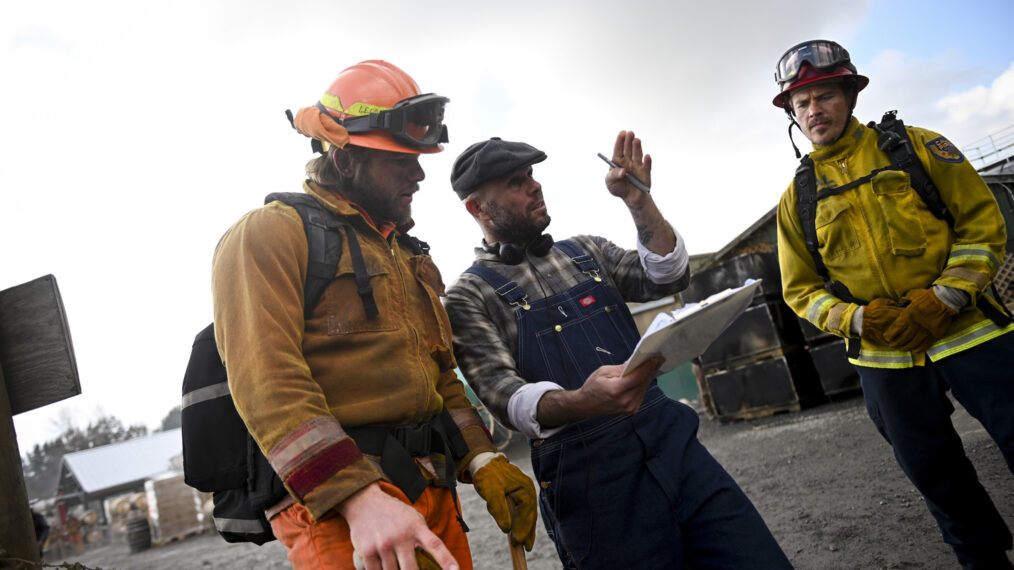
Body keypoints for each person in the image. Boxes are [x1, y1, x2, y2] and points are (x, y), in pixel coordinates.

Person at [212, 60, 537, 570]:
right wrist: (360, 498)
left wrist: (483, 457)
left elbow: (441, 377)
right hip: (341, 510)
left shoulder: (412, 257)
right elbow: (266, 382)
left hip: (430, 491)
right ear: (346, 161)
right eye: (400, 160)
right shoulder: (268, 235)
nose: (420, 172)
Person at [444, 133, 792, 568]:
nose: (534, 186)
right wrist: (580, 402)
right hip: (593, 482)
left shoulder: (586, 251)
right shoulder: (468, 296)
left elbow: (667, 276)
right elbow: (504, 397)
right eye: (516, 182)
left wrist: (638, 200)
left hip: (675, 447)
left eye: (532, 175)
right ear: (477, 208)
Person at [772, 39, 1014, 569]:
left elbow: (981, 224)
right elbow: (800, 290)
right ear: (793, 114)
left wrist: (945, 297)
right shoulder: (798, 198)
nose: (815, 110)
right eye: (802, 103)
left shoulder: (918, 147)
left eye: (825, 96)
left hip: (972, 334)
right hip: (885, 359)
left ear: (850, 96)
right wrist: (858, 319)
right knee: (936, 476)